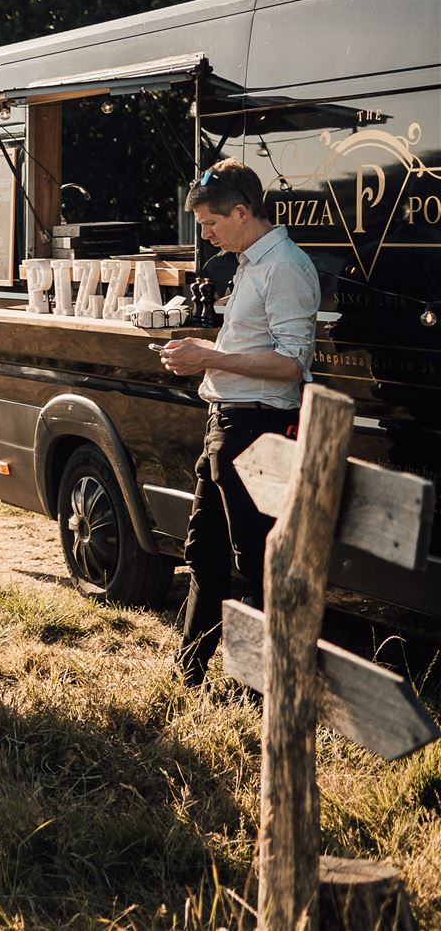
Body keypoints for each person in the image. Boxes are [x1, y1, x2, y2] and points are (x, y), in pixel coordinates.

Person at [162, 159, 321, 686]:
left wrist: (210, 357)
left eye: (210, 224)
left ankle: (264, 689)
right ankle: (188, 675)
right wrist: (207, 353)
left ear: (242, 211)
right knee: (202, 554)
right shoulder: (250, 260)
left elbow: (291, 365)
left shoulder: (286, 267)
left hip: (258, 428)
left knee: (254, 561)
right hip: (225, 422)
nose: (204, 236)